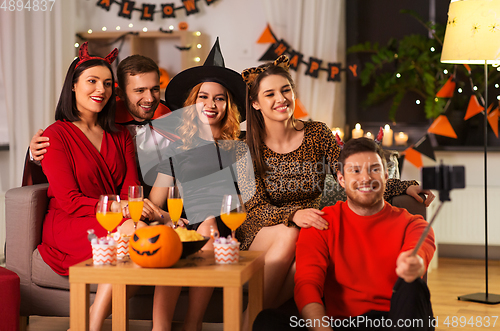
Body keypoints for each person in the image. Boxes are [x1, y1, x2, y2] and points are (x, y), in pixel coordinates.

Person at [237, 55, 435, 311]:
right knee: (290, 234)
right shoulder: (245, 147)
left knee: (304, 260)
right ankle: (247, 323)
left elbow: (350, 172)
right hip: (261, 228)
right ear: (255, 103)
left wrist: (403, 185)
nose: (281, 99)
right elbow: (255, 208)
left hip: (310, 228)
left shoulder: (316, 133)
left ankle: (261, 320)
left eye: (286, 90)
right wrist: (294, 215)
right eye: (270, 94)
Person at [253, 137, 436, 330]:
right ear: (341, 179)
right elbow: (307, 285)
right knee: (266, 322)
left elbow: (418, 255)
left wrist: (412, 262)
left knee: (414, 286)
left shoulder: (414, 225)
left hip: (393, 323)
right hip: (339, 325)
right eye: (355, 171)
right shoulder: (320, 223)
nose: (365, 178)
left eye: (374, 169)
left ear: (386, 177)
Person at [36, 42, 157, 331]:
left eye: (106, 83)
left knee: (145, 235)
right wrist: (120, 208)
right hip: (71, 222)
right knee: (135, 236)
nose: (100, 90)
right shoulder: (56, 135)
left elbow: (132, 189)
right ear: (73, 87)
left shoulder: (120, 136)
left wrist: (140, 211)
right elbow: (68, 200)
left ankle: (87, 324)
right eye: (92, 81)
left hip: (116, 219)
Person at [148, 38, 249, 331]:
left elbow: (242, 199)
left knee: (208, 233)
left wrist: (208, 217)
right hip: (179, 220)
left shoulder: (239, 148)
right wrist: (164, 217)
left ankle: (193, 324)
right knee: (174, 238)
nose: (211, 104)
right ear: (193, 103)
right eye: (203, 96)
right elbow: (157, 201)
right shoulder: (176, 148)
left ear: (228, 105)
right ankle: (161, 327)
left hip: (222, 222)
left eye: (219, 98)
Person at [29, 54, 175, 196]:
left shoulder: (170, 121)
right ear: (119, 93)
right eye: (139, 91)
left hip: (153, 197)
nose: (149, 99)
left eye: (155, 89)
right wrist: (34, 154)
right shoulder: (106, 122)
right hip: (115, 205)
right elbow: (67, 154)